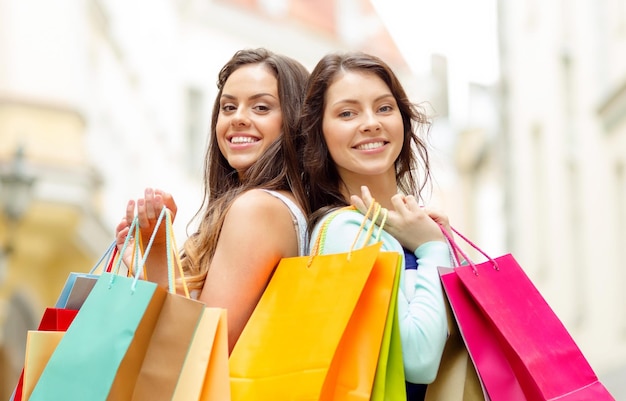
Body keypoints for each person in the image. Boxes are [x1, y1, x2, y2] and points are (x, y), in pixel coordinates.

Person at [115, 48, 310, 352]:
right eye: (228, 107)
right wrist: (150, 259)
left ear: (295, 120)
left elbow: (200, 350)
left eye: (261, 107)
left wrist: (158, 254)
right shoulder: (266, 206)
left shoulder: (257, 209)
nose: (239, 119)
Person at [300, 51, 451, 400]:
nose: (371, 123)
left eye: (384, 108)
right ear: (319, 131)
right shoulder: (346, 232)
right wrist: (432, 250)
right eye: (347, 113)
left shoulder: (410, 226)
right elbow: (417, 360)